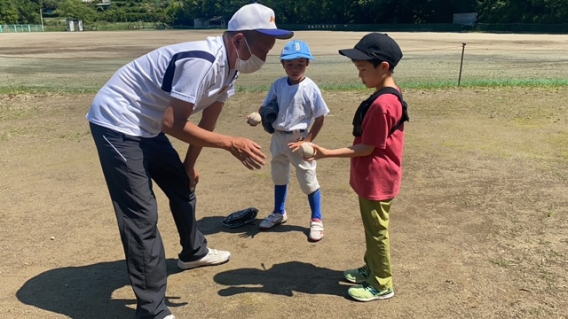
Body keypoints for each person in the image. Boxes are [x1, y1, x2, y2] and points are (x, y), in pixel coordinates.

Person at [86, 3, 293, 319]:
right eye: (263, 49)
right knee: (142, 215)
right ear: (239, 41)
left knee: (183, 184)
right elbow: (173, 123)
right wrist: (231, 143)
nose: (265, 57)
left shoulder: (231, 67)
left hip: (148, 122)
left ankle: (193, 252)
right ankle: (152, 310)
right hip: (117, 120)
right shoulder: (203, 60)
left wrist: (189, 164)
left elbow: (206, 121)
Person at [306, 33, 406, 301]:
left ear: (383, 67)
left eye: (363, 70)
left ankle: (382, 283)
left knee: (377, 233)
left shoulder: (383, 104)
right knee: (372, 229)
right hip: (375, 177)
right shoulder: (387, 94)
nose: (360, 76)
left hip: (378, 179)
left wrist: (325, 153)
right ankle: (372, 268)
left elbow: (367, 148)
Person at [248, 40, 329, 242]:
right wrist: (257, 115)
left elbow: (320, 117)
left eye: (300, 64)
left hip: (298, 138)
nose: (295, 68)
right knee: (279, 176)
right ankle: (278, 212)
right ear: (283, 64)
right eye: (290, 64)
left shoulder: (310, 88)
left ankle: (317, 219)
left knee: (308, 179)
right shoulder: (278, 84)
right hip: (278, 137)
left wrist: (308, 141)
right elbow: (267, 106)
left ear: (307, 64)